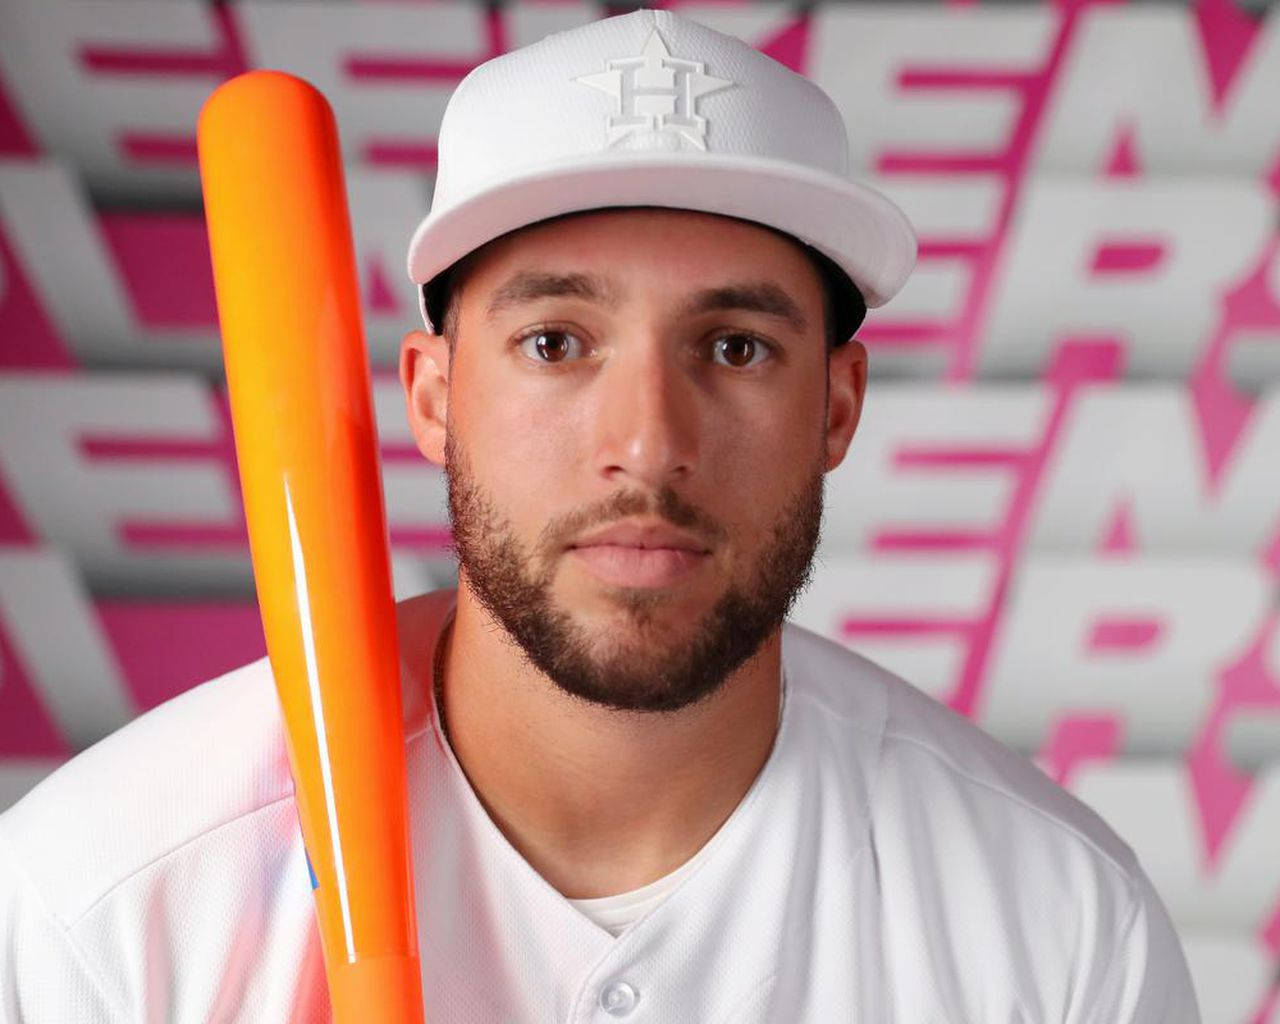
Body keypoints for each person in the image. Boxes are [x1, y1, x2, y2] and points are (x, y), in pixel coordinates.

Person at [0, 8, 1199, 1022]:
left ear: (835, 406)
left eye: (733, 347)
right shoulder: (105, 905)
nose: (646, 444)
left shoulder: (1054, 931)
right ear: (432, 394)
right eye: (555, 342)